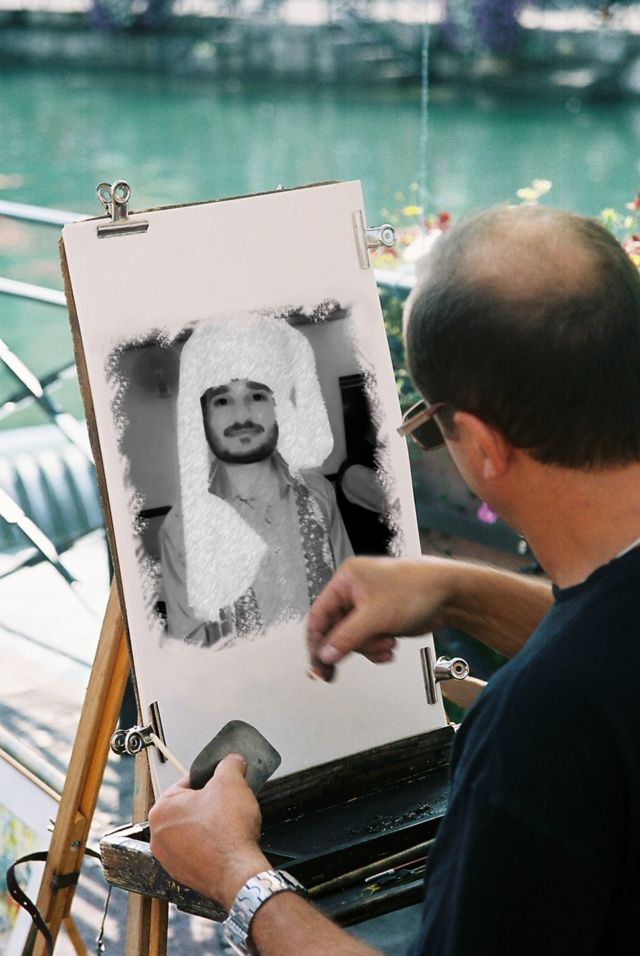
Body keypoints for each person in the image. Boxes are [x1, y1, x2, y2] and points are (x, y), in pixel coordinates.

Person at [148, 204, 640, 954]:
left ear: (480, 445)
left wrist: (238, 877)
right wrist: (459, 590)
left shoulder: (534, 732)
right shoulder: (583, 684)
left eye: (430, 427)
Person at [159, 313, 352, 647]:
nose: (242, 415)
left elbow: (349, 596)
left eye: (257, 395)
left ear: (279, 408)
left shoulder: (319, 493)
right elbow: (191, 647)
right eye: (222, 400)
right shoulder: (182, 529)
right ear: (202, 416)